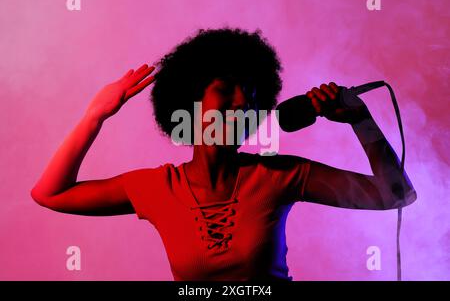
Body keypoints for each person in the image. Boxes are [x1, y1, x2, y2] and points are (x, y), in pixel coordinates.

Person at [31, 28, 417, 281]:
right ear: (189, 99)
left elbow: (395, 194)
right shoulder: (157, 187)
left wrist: (360, 119)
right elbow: (50, 193)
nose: (240, 103)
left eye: (250, 96)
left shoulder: (278, 175)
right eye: (227, 89)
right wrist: (95, 115)